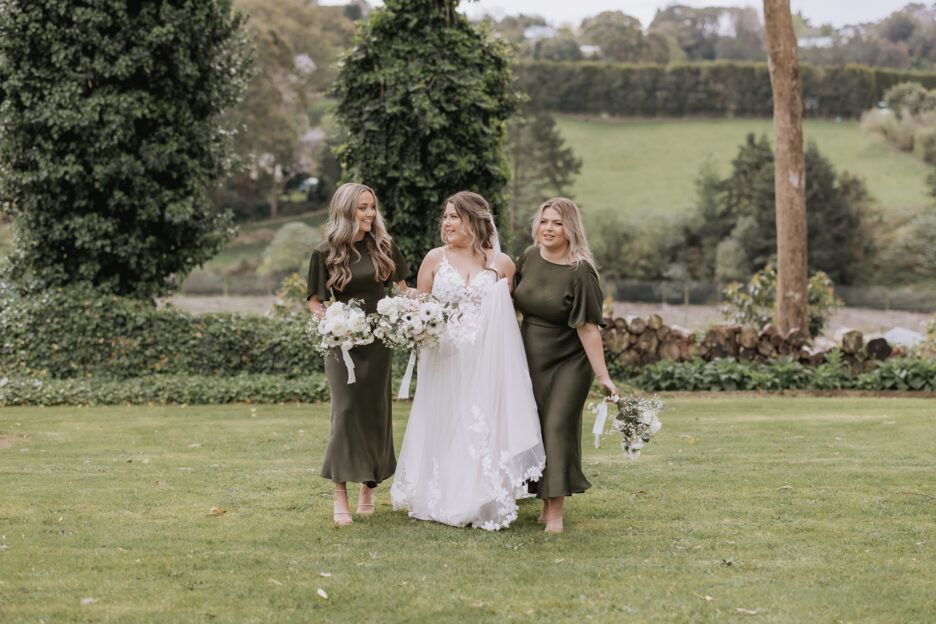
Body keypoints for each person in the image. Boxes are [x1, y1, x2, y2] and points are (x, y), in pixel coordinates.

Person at [390, 191, 545, 530]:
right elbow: (422, 308)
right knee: (446, 421)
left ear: (474, 221)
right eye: (445, 217)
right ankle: (442, 495)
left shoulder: (501, 264)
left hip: (486, 357)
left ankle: (481, 495)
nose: (447, 223)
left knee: (481, 423)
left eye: (454, 217)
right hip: (444, 356)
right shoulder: (434, 259)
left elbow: (513, 313)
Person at [512, 197, 618, 533]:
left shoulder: (581, 271)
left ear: (570, 228)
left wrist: (602, 376)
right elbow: (512, 304)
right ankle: (544, 501)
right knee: (537, 429)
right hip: (529, 357)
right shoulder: (528, 257)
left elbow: (588, 327)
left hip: (569, 361)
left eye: (557, 223)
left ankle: (555, 512)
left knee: (557, 427)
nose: (548, 229)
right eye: (544, 221)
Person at [307, 183, 409, 525]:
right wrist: (333, 326)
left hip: (379, 343)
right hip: (342, 346)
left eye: (372, 207)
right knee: (346, 411)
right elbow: (315, 302)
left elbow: (402, 291)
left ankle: (369, 486)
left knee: (375, 413)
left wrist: (420, 317)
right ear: (346, 211)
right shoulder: (324, 254)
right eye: (362, 208)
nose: (369, 214)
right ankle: (340, 495)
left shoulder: (384, 247)